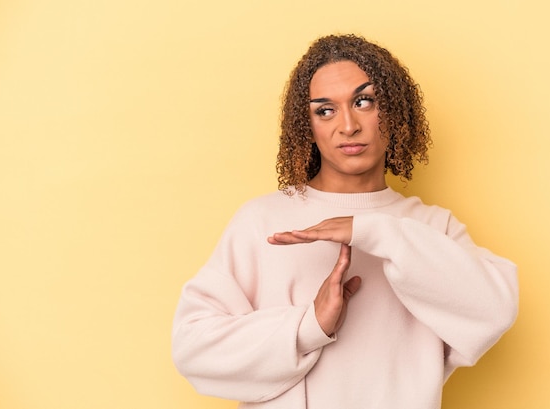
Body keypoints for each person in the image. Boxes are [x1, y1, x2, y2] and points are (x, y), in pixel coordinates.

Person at [172, 34, 518, 409]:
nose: (348, 125)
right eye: (325, 110)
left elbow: (494, 311)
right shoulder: (263, 221)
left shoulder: (431, 228)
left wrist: (371, 230)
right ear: (306, 126)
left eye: (364, 101)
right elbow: (193, 347)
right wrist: (309, 326)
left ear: (394, 111)